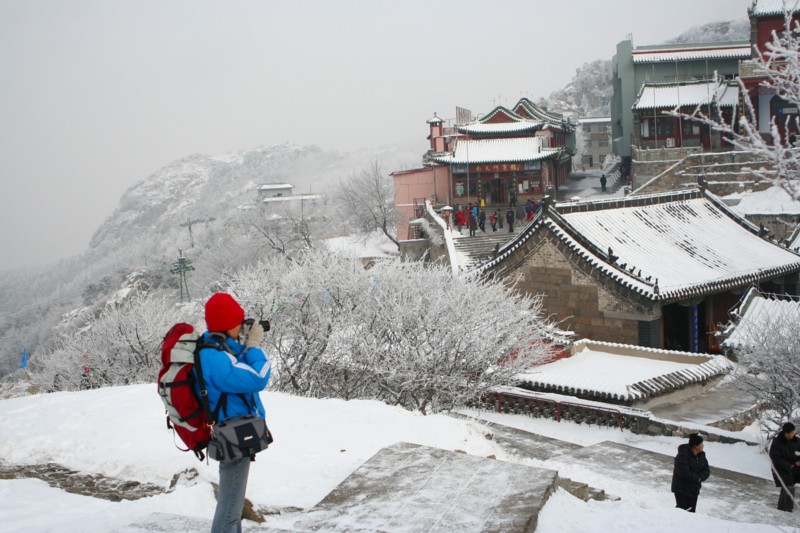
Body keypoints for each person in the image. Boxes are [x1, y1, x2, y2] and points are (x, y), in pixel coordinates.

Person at [198, 293, 271, 533]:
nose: (241, 326)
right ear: (228, 324)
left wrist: (246, 342)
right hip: (232, 434)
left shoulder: (217, 349)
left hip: (236, 430)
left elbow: (235, 360)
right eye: (238, 322)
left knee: (233, 502)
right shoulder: (213, 357)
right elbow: (257, 377)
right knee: (230, 507)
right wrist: (254, 346)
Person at [671, 434, 710, 513]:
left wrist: (700, 477)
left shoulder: (701, 455)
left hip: (694, 489)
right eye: (701, 444)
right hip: (681, 489)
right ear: (695, 446)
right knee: (681, 511)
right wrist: (697, 478)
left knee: (691, 512)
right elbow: (683, 472)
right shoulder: (682, 455)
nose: (703, 446)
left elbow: (706, 470)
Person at [770, 422, 800, 512]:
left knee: (788, 485)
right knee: (789, 486)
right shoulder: (777, 442)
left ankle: (781, 507)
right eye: (791, 432)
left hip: (795, 467)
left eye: (793, 432)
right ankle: (787, 509)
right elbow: (776, 458)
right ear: (786, 433)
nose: (793, 434)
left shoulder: (797, 441)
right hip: (780, 469)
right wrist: (791, 465)